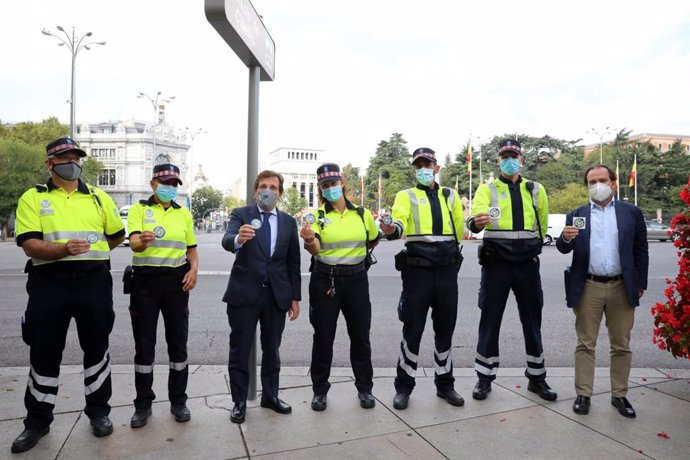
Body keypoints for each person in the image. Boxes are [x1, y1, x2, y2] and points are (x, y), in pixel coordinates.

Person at [11, 137, 125, 453]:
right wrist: (63, 250)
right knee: (44, 353)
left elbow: (115, 237)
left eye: (76, 156)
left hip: (94, 283)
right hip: (49, 283)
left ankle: (99, 413)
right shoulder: (32, 198)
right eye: (64, 157)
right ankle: (37, 422)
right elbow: (29, 244)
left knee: (97, 349)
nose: (72, 162)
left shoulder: (99, 198)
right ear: (49, 163)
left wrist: (91, 257)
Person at [466, 139, 557, 402]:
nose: (509, 160)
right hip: (496, 266)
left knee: (532, 322)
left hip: (527, 265)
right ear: (498, 160)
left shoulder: (536, 190)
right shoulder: (487, 189)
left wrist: (531, 248)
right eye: (505, 155)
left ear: (521, 159)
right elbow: (474, 221)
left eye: (513, 155)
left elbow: (541, 226)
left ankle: (537, 378)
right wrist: (476, 222)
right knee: (490, 321)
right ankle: (484, 378)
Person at [556, 164, 648, 418]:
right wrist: (565, 238)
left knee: (621, 345)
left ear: (614, 183)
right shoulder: (577, 214)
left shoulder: (631, 213)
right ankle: (583, 394)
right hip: (588, 286)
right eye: (591, 182)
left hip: (622, 285)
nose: (597, 185)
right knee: (585, 343)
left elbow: (641, 250)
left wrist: (640, 283)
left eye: (602, 180)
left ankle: (619, 395)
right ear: (586, 186)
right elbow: (564, 248)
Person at [380, 148, 465, 410]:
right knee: (412, 330)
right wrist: (391, 228)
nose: (423, 169)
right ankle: (403, 387)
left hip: (447, 272)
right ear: (414, 169)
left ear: (437, 168)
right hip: (418, 273)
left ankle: (445, 385)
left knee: (445, 331)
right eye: (419, 165)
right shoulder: (407, 196)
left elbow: (459, 230)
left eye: (427, 164)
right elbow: (399, 223)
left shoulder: (450, 195)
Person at [221, 170, 301, 424]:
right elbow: (227, 239)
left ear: (280, 193)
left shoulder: (288, 222)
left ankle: (270, 395)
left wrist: (294, 297)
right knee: (240, 349)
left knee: (272, 350)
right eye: (263, 186)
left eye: (273, 187)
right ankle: (239, 401)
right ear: (256, 191)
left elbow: (293, 263)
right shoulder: (242, 214)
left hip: (276, 295)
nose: (268, 191)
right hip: (245, 293)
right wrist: (237, 239)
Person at [300, 163, 380, 411]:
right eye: (325, 186)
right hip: (325, 280)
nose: (330, 188)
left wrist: (356, 260)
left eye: (334, 183)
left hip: (356, 280)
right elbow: (315, 250)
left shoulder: (362, 213)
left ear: (343, 182)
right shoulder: (317, 217)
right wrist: (310, 239)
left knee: (360, 337)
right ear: (320, 189)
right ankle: (320, 391)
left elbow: (373, 239)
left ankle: (365, 389)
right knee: (323, 338)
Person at [126, 164, 198, 428]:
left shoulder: (184, 214)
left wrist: (194, 270)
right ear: (153, 183)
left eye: (174, 183)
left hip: (176, 283)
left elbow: (191, 248)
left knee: (178, 343)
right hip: (144, 282)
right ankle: (143, 404)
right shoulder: (139, 209)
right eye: (165, 182)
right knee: (144, 347)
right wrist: (141, 241)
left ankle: (178, 400)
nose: (170, 188)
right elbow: (132, 241)